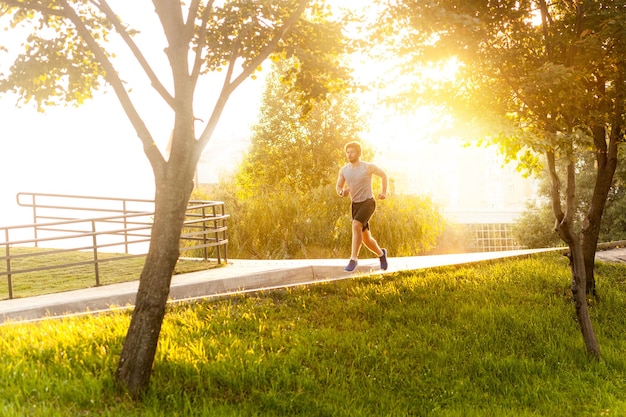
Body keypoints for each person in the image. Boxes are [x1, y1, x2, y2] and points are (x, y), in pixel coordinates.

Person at [336, 141, 388, 272]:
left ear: (358, 153)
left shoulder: (367, 167)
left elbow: (383, 175)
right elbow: (339, 186)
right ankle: (381, 254)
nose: (349, 155)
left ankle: (353, 259)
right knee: (365, 238)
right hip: (355, 205)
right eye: (347, 152)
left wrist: (384, 192)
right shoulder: (344, 170)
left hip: (368, 202)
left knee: (355, 225)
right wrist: (342, 192)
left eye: (352, 152)